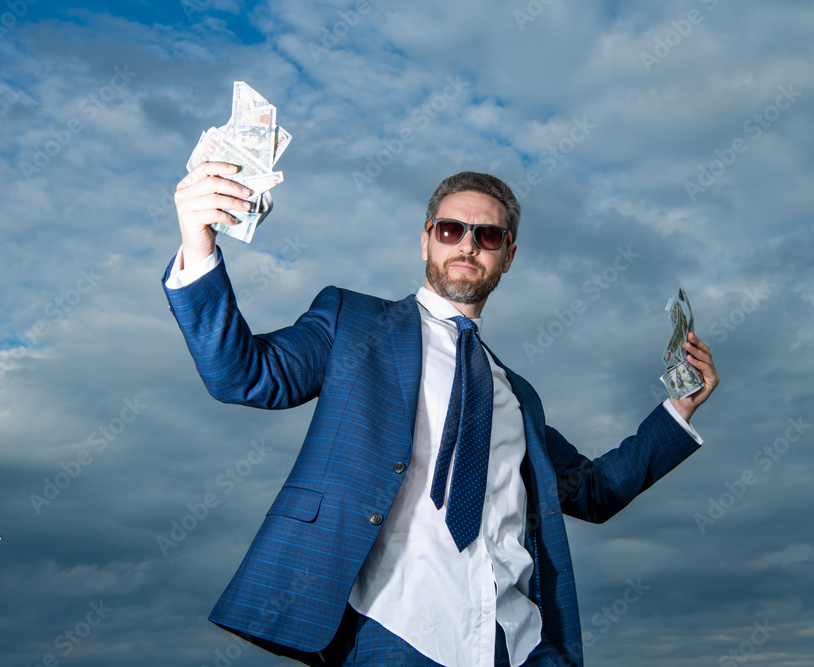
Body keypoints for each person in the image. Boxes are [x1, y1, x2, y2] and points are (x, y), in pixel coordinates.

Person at [162, 163, 719, 667]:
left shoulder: (516, 396)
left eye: (489, 235)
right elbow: (246, 375)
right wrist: (198, 239)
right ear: (425, 240)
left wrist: (680, 408)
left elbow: (594, 491)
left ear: (509, 255)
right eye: (452, 230)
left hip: (518, 641)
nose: (469, 245)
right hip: (393, 627)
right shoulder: (352, 322)